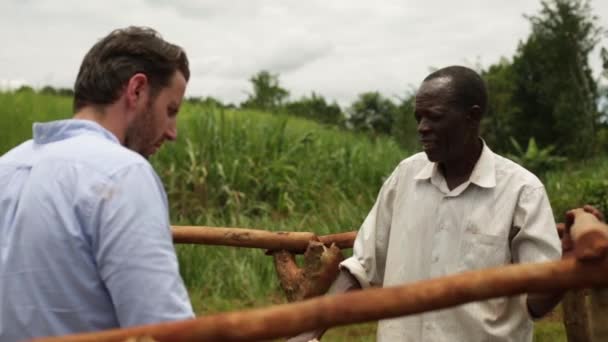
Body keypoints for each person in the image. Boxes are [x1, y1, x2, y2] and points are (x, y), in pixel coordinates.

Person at [289, 66, 563, 342]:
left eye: (435, 117)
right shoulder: (405, 178)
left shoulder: (521, 192)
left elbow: (536, 301)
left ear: (473, 116)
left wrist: (571, 264)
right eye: (419, 117)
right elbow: (362, 267)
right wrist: (308, 332)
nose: (422, 128)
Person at [0, 26, 193, 341]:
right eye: (170, 111)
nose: (172, 132)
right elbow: (166, 330)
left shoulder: (6, 167)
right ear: (137, 90)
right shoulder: (123, 173)